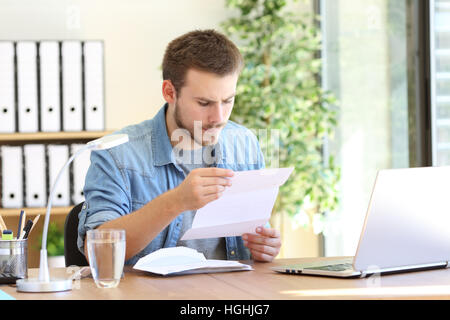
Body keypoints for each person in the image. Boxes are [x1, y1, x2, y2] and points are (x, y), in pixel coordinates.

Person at [78, 29, 282, 265]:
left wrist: (265, 246)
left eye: (228, 101)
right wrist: (175, 202)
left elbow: (255, 230)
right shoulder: (117, 154)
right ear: (169, 92)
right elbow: (99, 254)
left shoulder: (244, 143)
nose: (219, 117)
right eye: (204, 103)